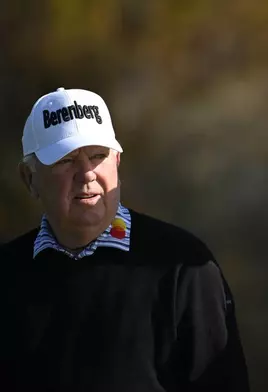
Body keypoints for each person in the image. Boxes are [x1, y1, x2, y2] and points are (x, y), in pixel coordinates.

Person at [0, 87, 250, 392]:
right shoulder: (7, 272)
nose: (87, 174)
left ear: (117, 162)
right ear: (29, 178)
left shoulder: (183, 266)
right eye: (66, 160)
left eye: (98, 156)